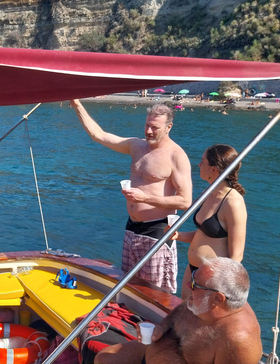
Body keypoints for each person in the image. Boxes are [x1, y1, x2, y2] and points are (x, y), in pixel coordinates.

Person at [94, 257, 262, 364]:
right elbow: (179, 313)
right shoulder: (204, 301)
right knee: (102, 360)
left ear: (218, 298)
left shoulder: (239, 341)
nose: (189, 285)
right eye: (194, 277)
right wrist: (162, 327)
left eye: (195, 285)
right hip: (150, 355)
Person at [70, 100, 192, 293]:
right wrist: (76, 104)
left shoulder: (176, 156)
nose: (149, 131)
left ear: (169, 127)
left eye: (155, 127)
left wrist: (144, 199)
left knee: (155, 292)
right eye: (147, 125)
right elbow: (98, 135)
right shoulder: (136, 146)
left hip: (157, 231)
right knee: (129, 287)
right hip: (132, 228)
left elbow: (185, 201)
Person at [170, 144, 247, 299]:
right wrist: (178, 235)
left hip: (211, 278)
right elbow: (204, 235)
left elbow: (237, 256)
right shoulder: (208, 193)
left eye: (203, 162)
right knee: (185, 315)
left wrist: (219, 285)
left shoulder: (233, 202)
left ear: (214, 169)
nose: (199, 165)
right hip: (193, 270)